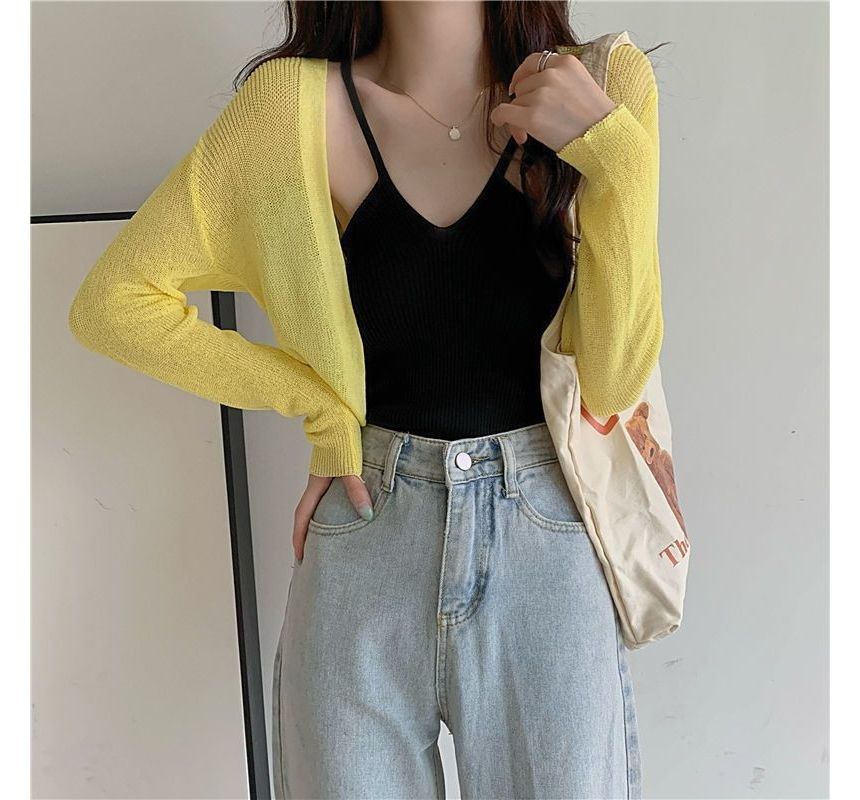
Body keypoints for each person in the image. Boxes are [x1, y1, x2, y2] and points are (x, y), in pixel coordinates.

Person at [68, 2, 664, 797]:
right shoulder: (290, 110)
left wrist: (614, 152)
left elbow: (614, 384)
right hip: (365, 533)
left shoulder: (602, 85)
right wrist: (321, 408)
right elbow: (115, 304)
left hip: (548, 539)